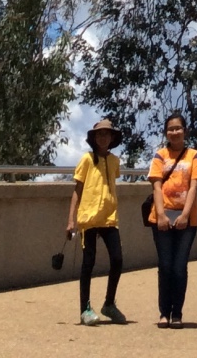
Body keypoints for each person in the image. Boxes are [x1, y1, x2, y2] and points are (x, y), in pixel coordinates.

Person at [148, 111, 197, 328]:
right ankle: (164, 312)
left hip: (186, 220)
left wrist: (184, 215)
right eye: (170, 129)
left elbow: (194, 186)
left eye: (178, 128)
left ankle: (177, 312)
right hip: (161, 217)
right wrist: (161, 215)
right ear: (166, 132)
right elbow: (156, 186)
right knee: (165, 265)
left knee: (179, 267)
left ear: (185, 131)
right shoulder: (160, 156)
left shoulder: (194, 156)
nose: (174, 132)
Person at [66, 117, 126, 327]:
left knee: (117, 260)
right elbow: (78, 190)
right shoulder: (87, 160)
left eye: (107, 134)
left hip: (109, 218)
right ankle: (85, 309)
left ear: (112, 137)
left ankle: (109, 303)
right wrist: (71, 220)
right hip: (89, 218)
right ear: (94, 138)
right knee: (88, 263)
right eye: (99, 134)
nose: (103, 137)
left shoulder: (114, 161)